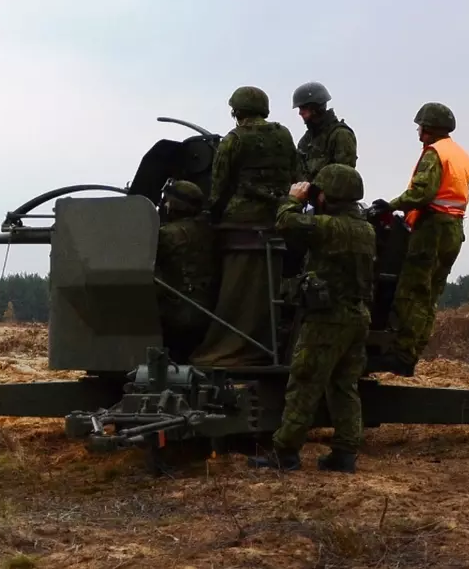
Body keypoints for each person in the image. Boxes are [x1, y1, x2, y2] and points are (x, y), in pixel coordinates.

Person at [248, 164, 375, 473]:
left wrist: (292, 198)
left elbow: (286, 224)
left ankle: (285, 452)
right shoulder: (365, 229)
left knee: (304, 382)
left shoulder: (330, 227)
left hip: (327, 319)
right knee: (344, 385)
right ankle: (344, 453)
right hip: (357, 316)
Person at [191, 86, 300, 367]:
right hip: (277, 220)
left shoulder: (234, 139)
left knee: (234, 288)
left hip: (241, 225)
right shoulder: (284, 135)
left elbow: (219, 187)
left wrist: (207, 216)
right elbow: (296, 174)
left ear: (237, 111)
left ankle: (231, 344)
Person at [370, 102, 469, 377]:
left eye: (421, 127)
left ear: (430, 128)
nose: (418, 132)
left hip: (432, 229)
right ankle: (412, 353)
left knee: (412, 292)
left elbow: (421, 194)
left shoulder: (434, 153)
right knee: (430, 296)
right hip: (454, 229)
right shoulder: (461, 155)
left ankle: (400, 356)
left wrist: (389, 206)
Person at [154, 179, 218, 363]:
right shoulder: (209, 230)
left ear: (174, 205)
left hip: (178, 314)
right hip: (208, 310)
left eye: (166, 200)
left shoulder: (167, 235)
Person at [292, 81, 358, 181]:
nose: (300, 113)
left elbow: (344, 178)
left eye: (303, 107)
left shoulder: (340, 134)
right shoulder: (306, 140)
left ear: (315, 107)